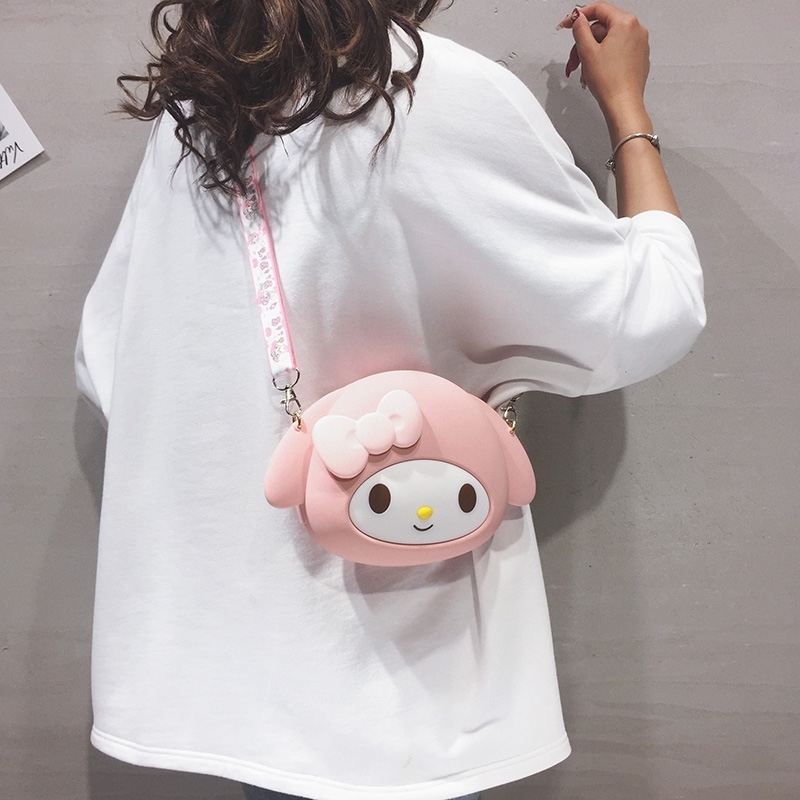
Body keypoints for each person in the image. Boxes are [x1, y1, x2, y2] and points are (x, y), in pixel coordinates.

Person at [75, 2, 705, 799]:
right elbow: (650, 308)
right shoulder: (439, 93)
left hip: (236, 668)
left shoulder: (199, 108)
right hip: (403, 676)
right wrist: (627, 110)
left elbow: (108, 360)